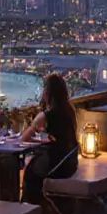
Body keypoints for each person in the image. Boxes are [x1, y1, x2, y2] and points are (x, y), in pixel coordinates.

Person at [21, 73, 80, 205]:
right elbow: (60, 138)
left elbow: (23, 138)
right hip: (70, 164)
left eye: (44, 89)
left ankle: (32, 208)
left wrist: (33, 125)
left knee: (29, 172)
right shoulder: (70, 110)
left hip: (55, 167)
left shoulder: (45, 116)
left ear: (48, 93)